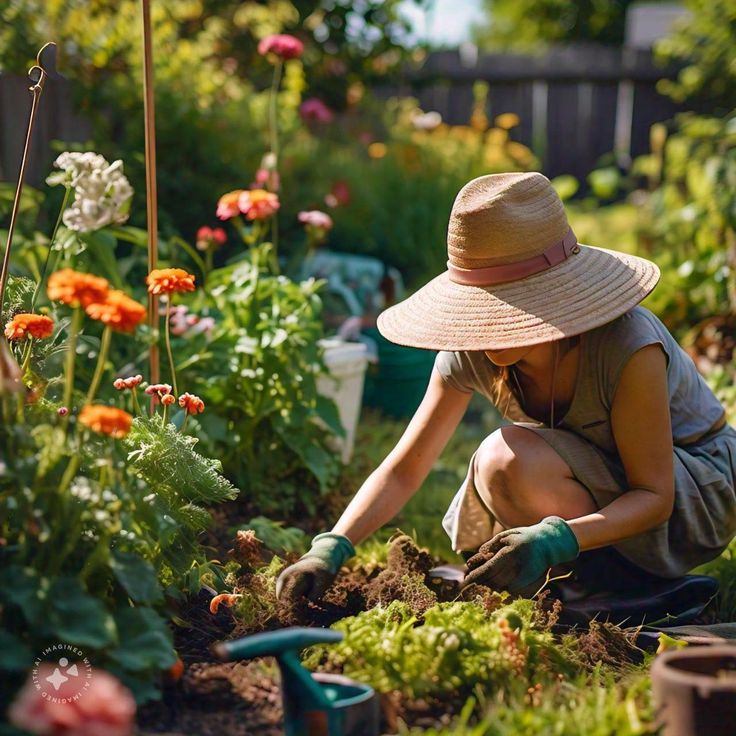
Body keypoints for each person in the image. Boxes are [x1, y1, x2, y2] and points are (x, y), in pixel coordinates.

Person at [275, 172, 736, 604]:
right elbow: (405, 469)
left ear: (556, 297)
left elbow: (655, 496)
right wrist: (332, 547)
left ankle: (629, 586)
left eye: (509, 312)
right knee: (504, 463)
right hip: (602, 484)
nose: (490, 330)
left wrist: (559, 537)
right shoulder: (470, 352)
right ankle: (590, 583)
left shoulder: (626, 345)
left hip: (690, 493)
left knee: (508, 453)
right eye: (483, 310)